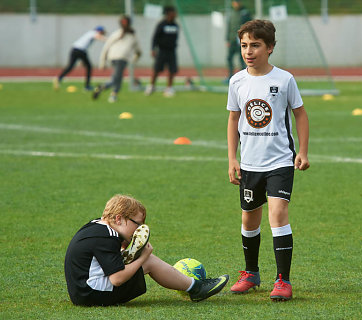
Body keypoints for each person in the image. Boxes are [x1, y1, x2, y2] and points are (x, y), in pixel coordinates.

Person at [226, 20, 310, 301]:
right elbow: (234, 118)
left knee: (277, 214)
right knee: (249, 219)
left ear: (270, 48)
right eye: (244, 46)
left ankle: (283, 280)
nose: (249, 51)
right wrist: (232, 158)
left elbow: (299, 113)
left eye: (255, 45)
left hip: (280, 162)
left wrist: (302, 151)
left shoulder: (284, 79)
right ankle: (251, 273)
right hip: (249, 163)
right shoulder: (237, 81)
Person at [64, 194, 229, 306]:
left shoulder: (98, 226)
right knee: (149, 261)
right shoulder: (105, 238)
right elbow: (117, 279)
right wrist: (143, 258)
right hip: (91, 294)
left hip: (82, 291)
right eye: (137, 224)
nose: (139, 230)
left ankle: (194, 286)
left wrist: (126, 250)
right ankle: (196, 288)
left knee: (140, 259)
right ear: (119, 219)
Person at [93, 15, 141, 103]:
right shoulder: (118, 34)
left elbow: (138, 51)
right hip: (118, 58)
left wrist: (134, 60)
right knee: (116, 79)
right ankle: (104, 89)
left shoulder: (131, 35)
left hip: (119, 58)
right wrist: (102, 62)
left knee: (117, 78)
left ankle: (112, 94)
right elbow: (106, 47)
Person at [53, 26, 106, 91]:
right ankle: (87, 86)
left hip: (75, 49)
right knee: (89, 67)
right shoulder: (93, 33)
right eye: (102, 32)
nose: (102, 33)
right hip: (80, 50)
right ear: (99, 31)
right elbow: (98, 37)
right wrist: (108, 40)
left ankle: (59, 79)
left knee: (70, 66)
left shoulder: (90, 33)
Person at [145, 6, 179, 97]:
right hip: (162, 51)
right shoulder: (161, 24)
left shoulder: (175, 25)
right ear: (168, 13)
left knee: (172, 70)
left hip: (171, 51)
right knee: (156, 69)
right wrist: (153, 49)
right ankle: (151, 86)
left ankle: (169, 88)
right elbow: (155, 37)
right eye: (173, 12)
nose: (175, 14)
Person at [225, 0, 251, 82]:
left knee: (242, 59)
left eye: (237, 2)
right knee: (229, 58)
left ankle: (244, 77)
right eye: (234, 2)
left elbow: (250, 26)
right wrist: (227, 39)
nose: (235, 4)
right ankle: (230, 76)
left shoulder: (245, 12)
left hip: (241, 41)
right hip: (232, 40)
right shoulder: (231, 13)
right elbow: (229, 27)